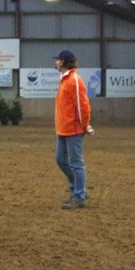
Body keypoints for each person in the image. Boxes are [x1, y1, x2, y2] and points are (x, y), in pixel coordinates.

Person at [54, 50, 94, 210]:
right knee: (61, 160)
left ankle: (79, 196)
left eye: (57, 60)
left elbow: (83, 106)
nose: (56, 62)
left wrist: (86, 125)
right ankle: (78, 187)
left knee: (76, 163)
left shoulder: (74, 81)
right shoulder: (65, 79)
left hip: (73, 128)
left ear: (63, 62)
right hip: (63, 128)